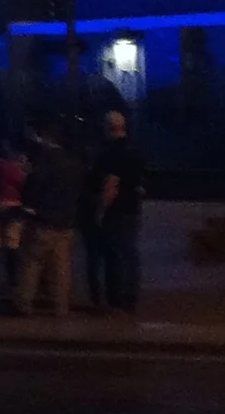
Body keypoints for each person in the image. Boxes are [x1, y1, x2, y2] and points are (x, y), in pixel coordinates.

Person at [16, 120, 82, 318]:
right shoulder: (74, 163)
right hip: (66, 220)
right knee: (62, 266)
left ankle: (24, 303)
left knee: (32, 263)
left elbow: (34, 185)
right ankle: (60, 306)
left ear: (47, 138)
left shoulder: (44, 161)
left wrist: (29, 204)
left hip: (43, 219)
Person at [89, 109, 146, 314]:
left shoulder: (110, 153)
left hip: (116, 212)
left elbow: (111, 184)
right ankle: (130, 298)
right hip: (132, 209)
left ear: (107, 128)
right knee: (130, 254)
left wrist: (100, 212)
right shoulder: (134, 150)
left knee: (116, 256)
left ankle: (117, 301)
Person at [0, 134, 30, 290]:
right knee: (12, 243)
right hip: (12, 206)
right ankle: (12, 279)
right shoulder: (11, 167)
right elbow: (23, 182)